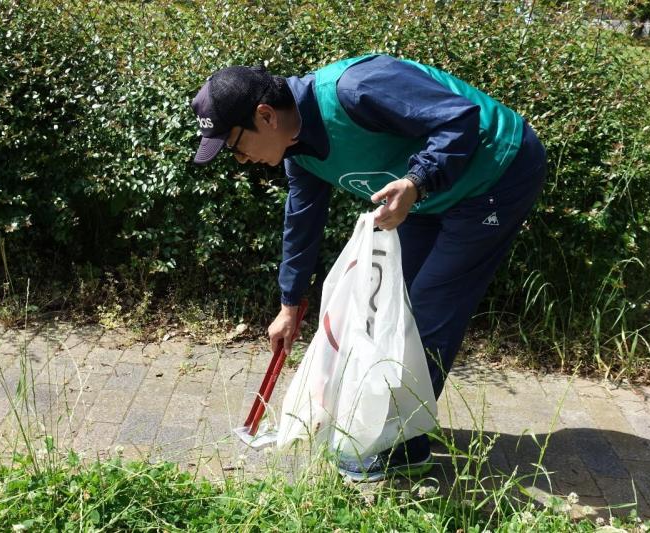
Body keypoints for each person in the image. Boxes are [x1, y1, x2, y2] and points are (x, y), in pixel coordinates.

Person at [191, 54, 547, 482]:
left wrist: (416, 181)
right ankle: (398, 433)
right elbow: (301, 224)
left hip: (495, 173)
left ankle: (396, 447)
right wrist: (290, 304)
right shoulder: (299, 152)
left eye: (235, 145)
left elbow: (459, 119)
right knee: (393, 309)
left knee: (428, 314)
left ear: (265, 116)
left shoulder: (356, 89)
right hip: (427, 192)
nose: (241, 160)